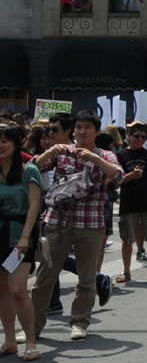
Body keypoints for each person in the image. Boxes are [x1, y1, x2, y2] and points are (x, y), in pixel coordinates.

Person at [29, 110, 122, 341]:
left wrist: (95, 159)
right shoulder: (62, 153)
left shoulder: (105, 155)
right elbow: (31, 169)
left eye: (87, 127)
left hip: (90, 224)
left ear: (96, 131)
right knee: (44, 278)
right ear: (73, 130)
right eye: (79, 127)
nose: (82, 131)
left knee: (86, 278)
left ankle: (79, 322)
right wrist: (49, 151)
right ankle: (33, 326)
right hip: (57, 222)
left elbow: (118, 176)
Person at [0, 124, 43, 361]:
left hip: (21, 236)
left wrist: (26, 236)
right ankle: (9, 341)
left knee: (17, 289)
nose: (0, 145)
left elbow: (34, 206)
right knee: (1, 291)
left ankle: (30, 341)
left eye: (5, 140)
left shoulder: (30, 170)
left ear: (16, 144)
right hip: (0, 235)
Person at [115, 122, 147, 283]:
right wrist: (133, 175)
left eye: (144, 137)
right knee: (127, 238)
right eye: (137, 136)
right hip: (129, 200)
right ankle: (126, 271)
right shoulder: (121, 155)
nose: (140, 140)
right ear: (129, 136)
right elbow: (117, 179)